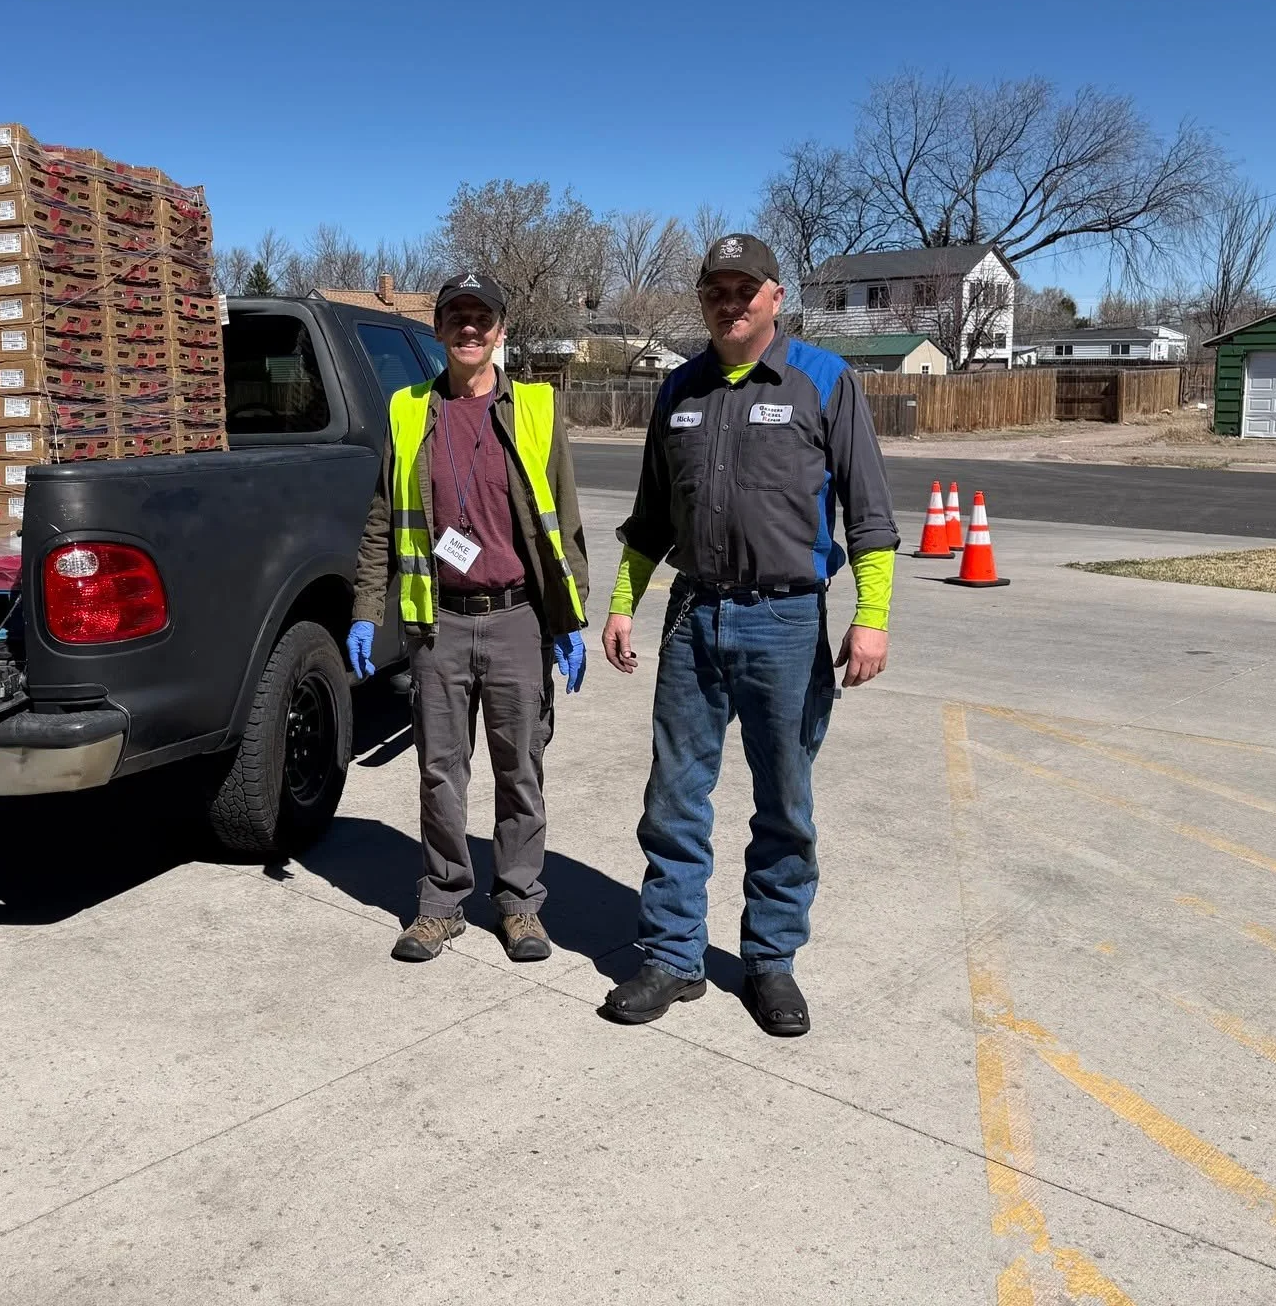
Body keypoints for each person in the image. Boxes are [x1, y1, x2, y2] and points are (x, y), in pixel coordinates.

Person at [598, 233, 897, 1036]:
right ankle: (670, 956)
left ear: (776, 295)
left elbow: (869, 519)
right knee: (674, 797)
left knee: (785, 802)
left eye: (743, 289)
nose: (728, 303)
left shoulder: (825, 383)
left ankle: (770, 964)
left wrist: (872, 617)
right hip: (695, 615)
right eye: (714, 292)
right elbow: (652, 517)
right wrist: (624, 603)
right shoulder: (677, 391)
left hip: (788, 623)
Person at [349, 271, 591, 964]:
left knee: (520, 770)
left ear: (501, 330)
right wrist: (367, 610)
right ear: (440, 329)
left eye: (482, 318)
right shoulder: (407, 411)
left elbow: (565, 524)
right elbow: (378, 525)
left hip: (517, 618)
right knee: (439, 771)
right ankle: (440, 903)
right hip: (440, 624)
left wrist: (568, 616)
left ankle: (519, 904)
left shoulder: (537, 407)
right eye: (457, 316)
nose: (469, 328)